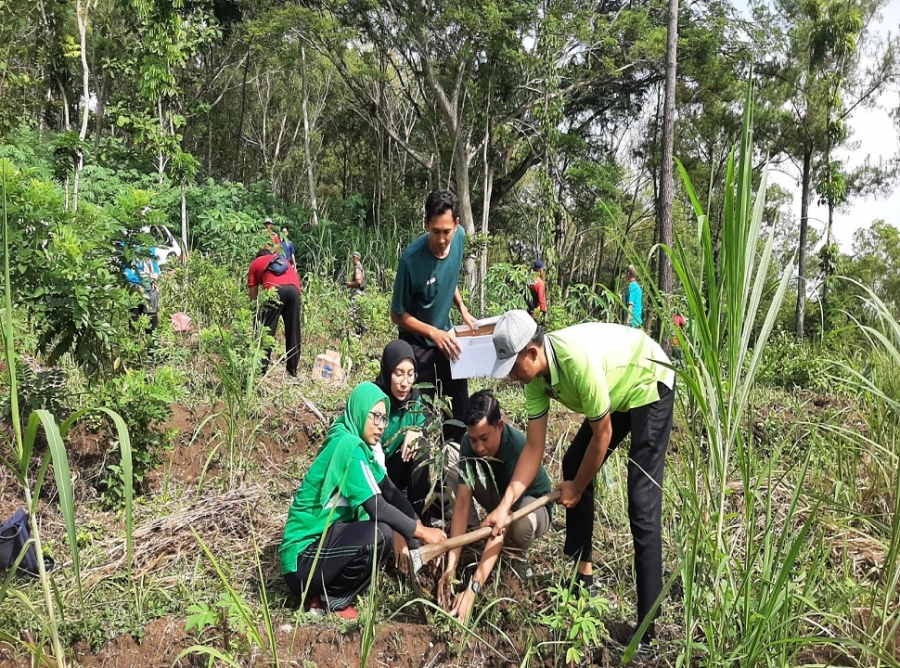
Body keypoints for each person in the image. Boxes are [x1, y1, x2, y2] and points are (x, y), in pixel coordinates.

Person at [485, 310, 675, 649]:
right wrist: (504, 507)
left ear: (532, 352)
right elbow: (533, 448)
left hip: (648, 379)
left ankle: (648, 630)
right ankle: (582, 574)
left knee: (642, 503)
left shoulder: (576, 361)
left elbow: (603, 435)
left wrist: (577, 487)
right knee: (573, 462)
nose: (513, 377)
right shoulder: (536, 381)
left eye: (514, 367)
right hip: (616, 389)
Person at [279, 382, 446, 619]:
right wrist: (421, 531)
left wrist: (416, 533)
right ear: (359, 411)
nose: (380, 426)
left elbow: (390, 492)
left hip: (318, 552)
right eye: (375, 417)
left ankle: (319, 595)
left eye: (384, 419)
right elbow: (377, 506)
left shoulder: (360, 450)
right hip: (302, 558)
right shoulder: (348, 447)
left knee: (381, 531)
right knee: (380, 535)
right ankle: (332, 601)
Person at [437, 389, 552, 623]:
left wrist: (473, 589)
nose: (478, 447)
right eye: (473, 439)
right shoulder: (471, 445)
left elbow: (503, 523)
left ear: (499, 426)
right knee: (451, 459)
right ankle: (473, 536)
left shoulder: (517, 449)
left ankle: (513, 554)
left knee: (518, 525)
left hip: (530, 506)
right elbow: (461, 504)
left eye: (485, 438)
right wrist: (451, 565)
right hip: (497, 496)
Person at [391, 189, 476, 444]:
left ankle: (452, 460)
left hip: (446, 338)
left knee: (460, 409)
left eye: (446, 231)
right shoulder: (411, 260)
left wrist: (462, 307)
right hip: (418, 344)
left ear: (456, 225)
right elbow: (397, 314)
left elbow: (447, 278)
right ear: (427, 224)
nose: (441, 239)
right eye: (435, 231)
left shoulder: (459, 237)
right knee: (422, 414)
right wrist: (431, 332)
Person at [373, 340, 431, 520]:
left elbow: (429, 422)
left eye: (410, 374)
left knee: (421, 445)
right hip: (374, 475)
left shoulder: (415, 399)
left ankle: (420, 514)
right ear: (387, 372)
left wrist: (416, 430)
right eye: (398, 374)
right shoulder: (375, 400)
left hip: (399, 471)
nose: (405, 383)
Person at [247, 248, 302, 376]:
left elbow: (253, 296)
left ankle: (260, 370)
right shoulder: (282, 259)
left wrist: (255, 313)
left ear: (257, 257)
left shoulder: (256, 263)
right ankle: (292, 371)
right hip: (294, 291)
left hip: (275, 290)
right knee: (293, 331)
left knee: (266, 330)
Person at [122, 227, 161, 333]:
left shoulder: (150, 243)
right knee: (134, 318)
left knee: (152, 319)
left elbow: (154, 263)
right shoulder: (128, 244)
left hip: (149, 285)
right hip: (134, 286)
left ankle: (152, 345)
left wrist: (155, 277)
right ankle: (134, 343)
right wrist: (136, 283)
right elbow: (125, 269)